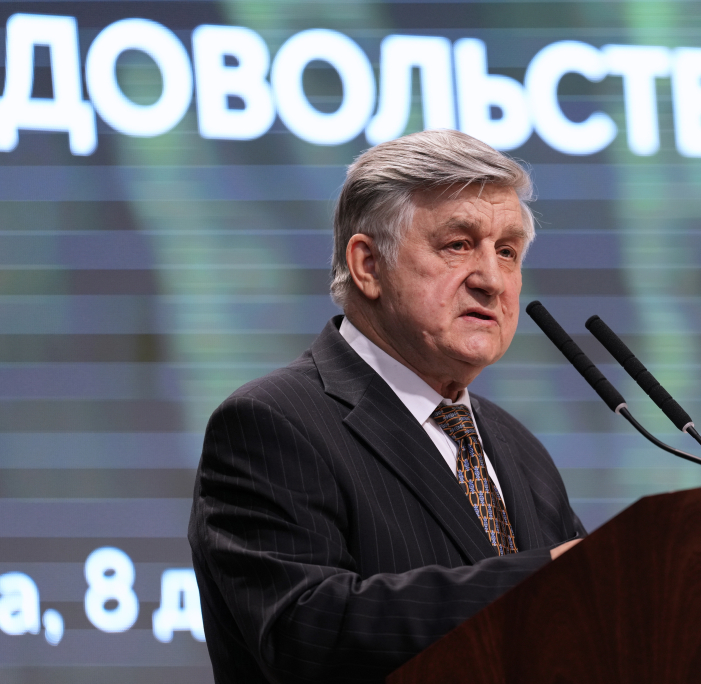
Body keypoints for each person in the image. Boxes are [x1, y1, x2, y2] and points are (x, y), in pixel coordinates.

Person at [188, 129, 585, 684]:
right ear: (368, 264)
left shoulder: (518, 447)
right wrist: (540, 581)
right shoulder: (272, 423)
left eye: (507, 251)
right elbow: (308, 631)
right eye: (458, 244)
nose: (493, 281)